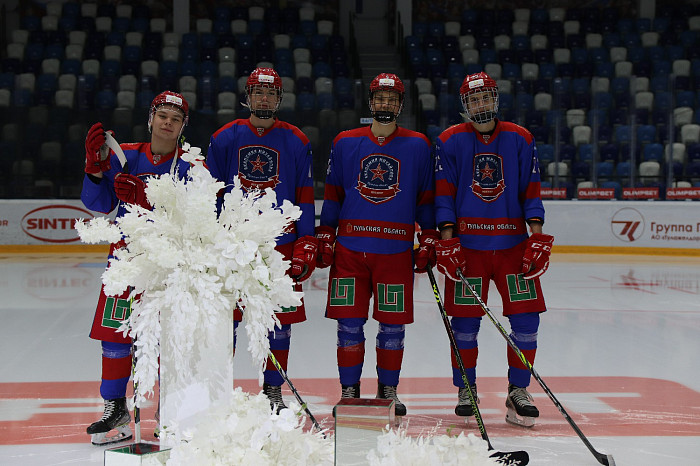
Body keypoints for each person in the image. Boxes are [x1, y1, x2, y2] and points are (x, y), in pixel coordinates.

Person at [433, 71, 554, 427]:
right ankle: (466, 388)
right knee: (464, 323)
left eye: (485, 97)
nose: (480, 104)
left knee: (527, 320)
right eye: (474, 99)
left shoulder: (520, 137)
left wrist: (536, 237)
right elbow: (444, 193)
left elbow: (531, 189)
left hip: (513, 246)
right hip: (467, 248)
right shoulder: (449, 140)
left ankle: (518, 390)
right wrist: (447, 240)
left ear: (495, 99)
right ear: (465, 105)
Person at [316, 73, 436, 416]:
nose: (385, 103)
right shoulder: (345, 142)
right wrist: (325, 232)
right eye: (380, 98)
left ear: (401, 105)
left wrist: (428, 235)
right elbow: (333, 193)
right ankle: (349, 390)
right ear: (370, 102)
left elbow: (426, 198)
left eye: (392, 99)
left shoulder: (418, 145)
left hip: (396, 252)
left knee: (392, 326)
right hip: (350, 251)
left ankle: (388, 391)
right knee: (349, 324)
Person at [82, 91, 195, 444]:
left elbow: (195, 221)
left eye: (175, 119)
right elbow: (100, 204)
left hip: (168, 266)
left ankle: (169, 411)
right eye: (162, 115)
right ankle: (115, 410)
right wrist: (94, 168)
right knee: (114, 336)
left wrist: (147, 201)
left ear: (183, 126)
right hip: (125, 262)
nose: (168, 123)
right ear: (151, 118)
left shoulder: (191, 166)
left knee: (167, 340)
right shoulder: (125, 155)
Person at [206, 67, 316, 413]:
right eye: (258, 92)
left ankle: (273, 390)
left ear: (279, 98)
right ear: (248, 96)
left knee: (279, 322)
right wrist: (209, 241)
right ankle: (219, 391)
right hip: (232, 249)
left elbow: (304, 194)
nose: (264, 98)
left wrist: (306, 241)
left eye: (271, 93)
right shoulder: (224, 137)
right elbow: (210, 195)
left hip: (279, 249)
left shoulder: (296, 140)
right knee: (227, 322)